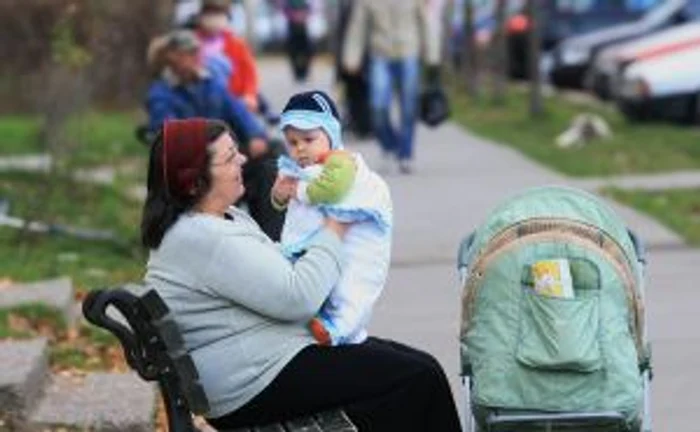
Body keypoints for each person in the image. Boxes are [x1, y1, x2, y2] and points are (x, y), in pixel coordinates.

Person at [141, 117, 462, 431]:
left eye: (236, 150)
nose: (242, 158)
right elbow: (300, 298)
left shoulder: (219, 221)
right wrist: (335, 228)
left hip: (258, 366)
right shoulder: (203, 238)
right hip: (252, 384)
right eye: (228, 158)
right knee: (416, 379)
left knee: (419, 368)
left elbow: (276, 273)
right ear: (195, 181)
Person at [270, 91, 392, 346]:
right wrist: (280, 196)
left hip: (351, 243)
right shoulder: (300, 171)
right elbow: (290, 207)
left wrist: (298, 191)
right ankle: (317, 320)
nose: (300, 148)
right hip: (318, 244)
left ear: (331, 135)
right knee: (308, 283)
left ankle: (339, 327)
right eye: (292, 142)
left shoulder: (341, 162)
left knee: (352, 286)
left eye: (309, 139)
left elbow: (332, 190)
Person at [145, 30, 285, 241]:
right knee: (218, 169)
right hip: (194, 167)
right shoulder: (161, 93)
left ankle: (272, 240)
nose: (194, 58)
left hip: (224, 156)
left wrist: (257, 135)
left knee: (270, 161)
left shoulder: (212, 83)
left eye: (195, 53)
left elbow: (238, 110)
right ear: (172, 57)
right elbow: (168, 133)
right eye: (187, 53)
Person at [342, 0, 442, 174]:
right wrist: (351, 57)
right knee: (377, 109)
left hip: (408, 53)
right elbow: (357, 27)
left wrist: (432, 55)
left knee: (409, 108)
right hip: (380, 55)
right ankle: (390, 145)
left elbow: (426, 22)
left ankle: (405, 154)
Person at [281, 0, 314, 83]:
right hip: (292, 27)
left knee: (308, 51)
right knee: (293, 52)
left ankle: (304, 72)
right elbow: (285, 10)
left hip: (303, 27)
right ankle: (297, 73)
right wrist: (294, 17)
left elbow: (310, 10)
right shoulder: (289, 2)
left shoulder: (305, 2)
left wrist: (303, 16)